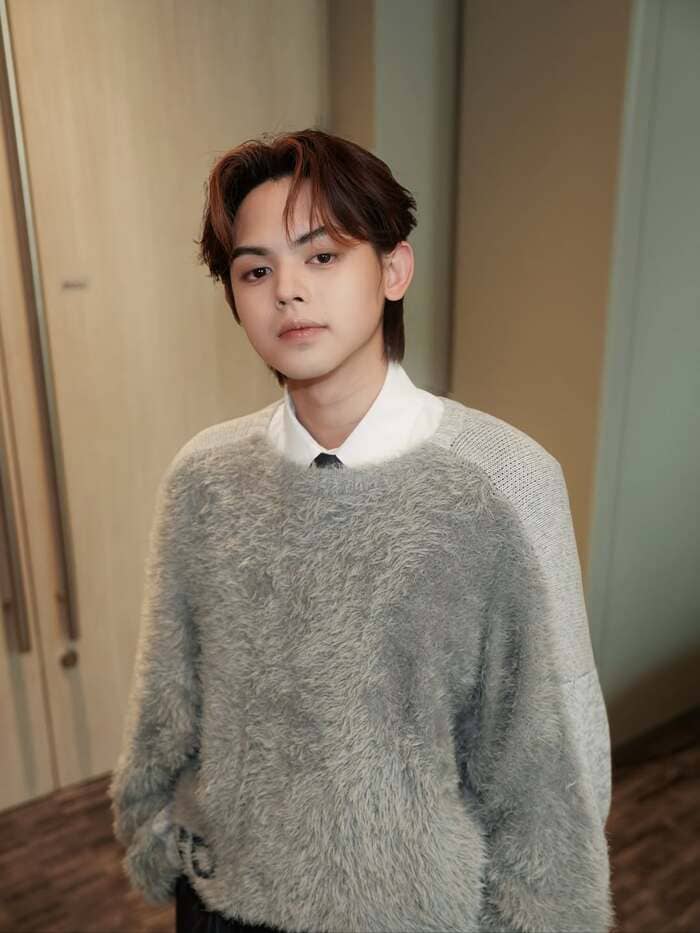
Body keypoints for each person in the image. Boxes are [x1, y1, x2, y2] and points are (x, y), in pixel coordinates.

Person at [108, 128, 615, 933]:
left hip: (417, 912)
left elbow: (555, 745)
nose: (288, 291)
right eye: (256, 270)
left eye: (322, 256)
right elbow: (168, 691)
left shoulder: (505, 477)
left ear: (392, 268)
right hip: (226, 898)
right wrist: (157, 832)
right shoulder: (204, 477)